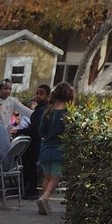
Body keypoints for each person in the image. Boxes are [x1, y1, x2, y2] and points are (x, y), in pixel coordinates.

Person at [37, 82, 74, 215]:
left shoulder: (49, 111)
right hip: (59, 149)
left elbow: (41, 131)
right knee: (55, 178)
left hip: (45, 148)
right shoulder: (68, 113)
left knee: (47, 177)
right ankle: (45, 197)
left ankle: (44, 203)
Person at [24, 84, 50, 198]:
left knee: (31, 166)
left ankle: (31, 190)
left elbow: (35, 129)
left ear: (47, 96)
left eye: (41, 94)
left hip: (36, 143)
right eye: (37, 93)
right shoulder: (42, 109)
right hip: (38, 142)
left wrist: (19, 131)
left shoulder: (41, 111)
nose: (38, 96)